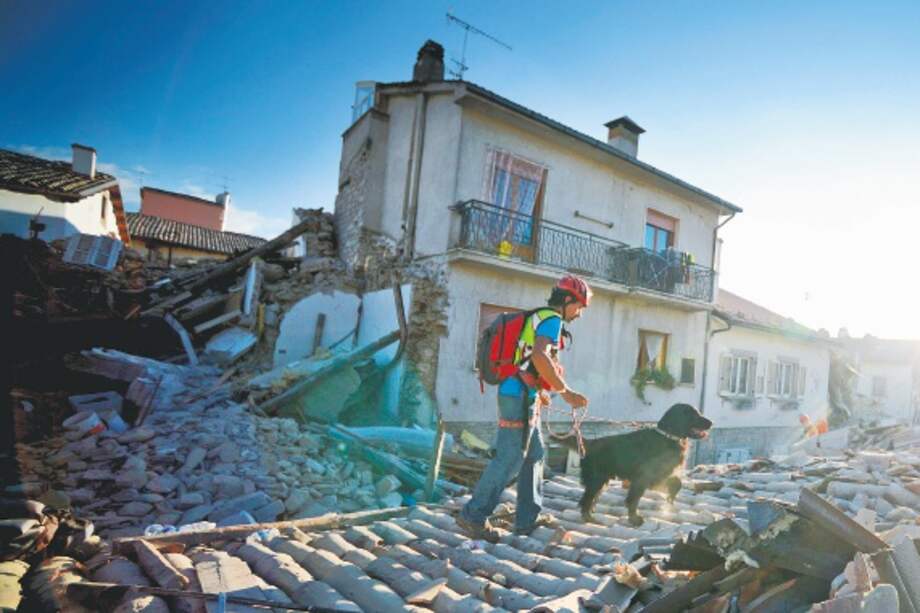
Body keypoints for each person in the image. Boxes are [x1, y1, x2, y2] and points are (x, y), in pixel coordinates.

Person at [457, 275, 592, 541]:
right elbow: (541, 356)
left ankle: (527, 518)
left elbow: (527, 358)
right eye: (579, 306)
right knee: (509, 458)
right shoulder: (552, 320)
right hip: (518, 397)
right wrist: (566, 392)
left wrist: (541, 391)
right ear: (566, 301)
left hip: (522, 393)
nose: (579, 313)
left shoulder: (539, 316)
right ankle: (473, 516)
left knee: (535, 454)